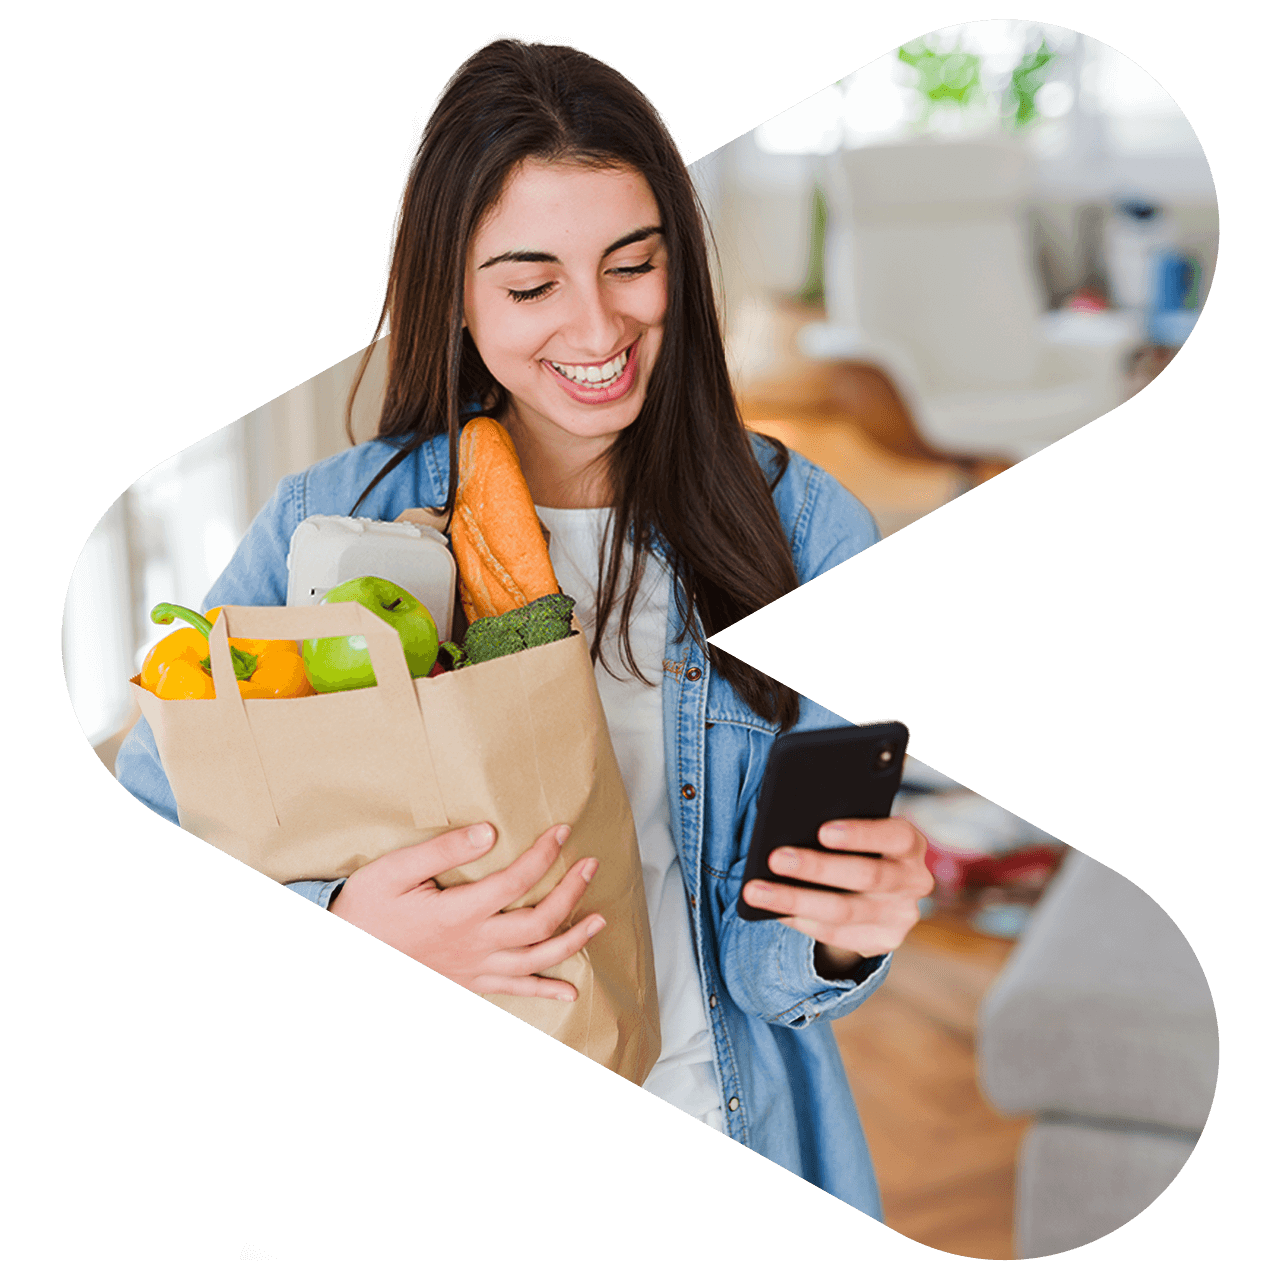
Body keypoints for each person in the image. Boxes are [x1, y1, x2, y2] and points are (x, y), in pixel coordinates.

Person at [114, 35, 934, 1219]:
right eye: (530, 282)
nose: (596, 328)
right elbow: (162, 793)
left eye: (632, 264)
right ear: (453, 291)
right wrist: (351, 919)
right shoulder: (329, 521)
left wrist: (845, 932)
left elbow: (772, 975)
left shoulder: (803, 525)